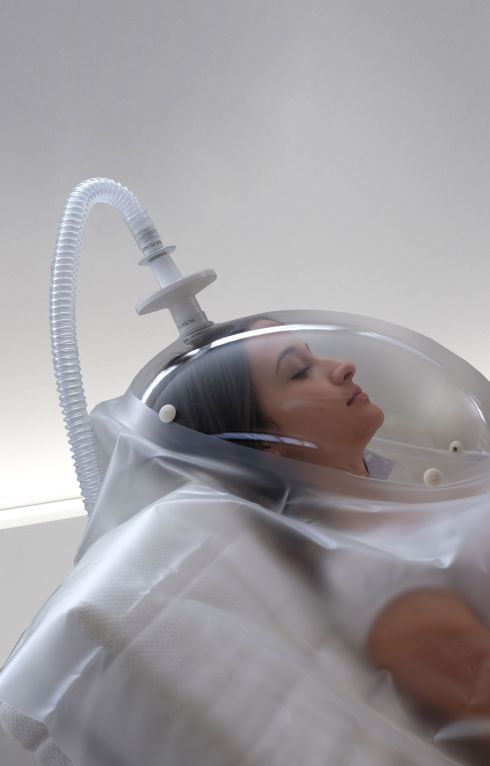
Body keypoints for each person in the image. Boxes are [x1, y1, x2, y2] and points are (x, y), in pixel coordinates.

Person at [159, 317, 490, 751]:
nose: (343, 366)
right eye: (300, 371)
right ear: (266, 447)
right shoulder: (379, 575)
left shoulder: (392, 505)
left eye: (312, 354)